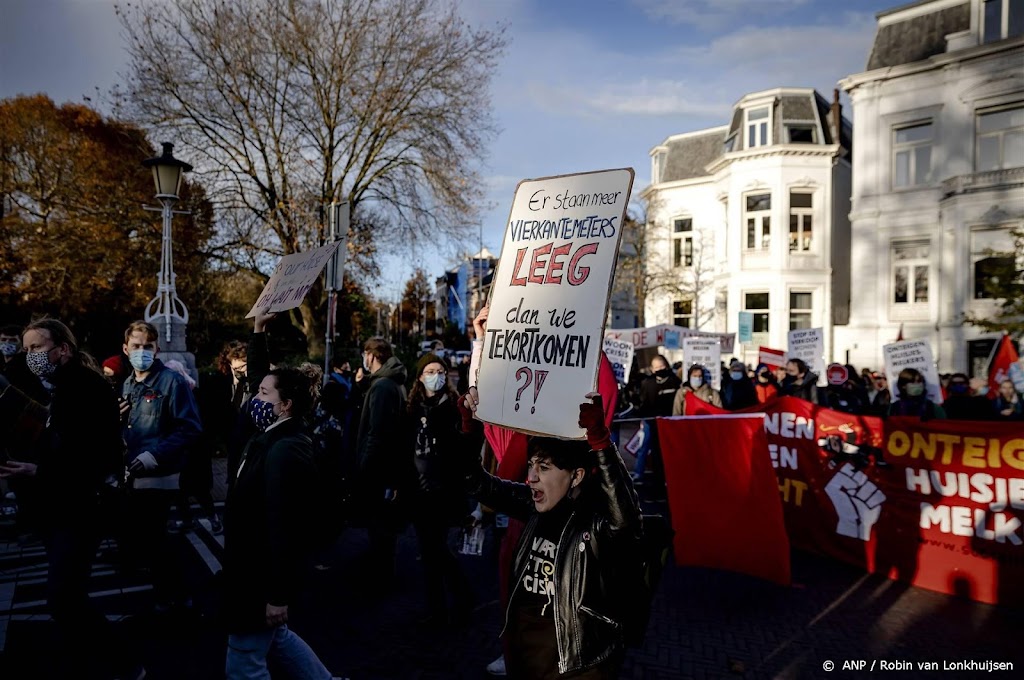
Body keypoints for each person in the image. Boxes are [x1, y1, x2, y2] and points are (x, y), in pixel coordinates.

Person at [457, 388, 642, 679]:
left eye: (544, 467)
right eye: (531, 465)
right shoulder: (531, 505)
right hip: (525, 656)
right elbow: (475, 484)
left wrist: (601, 443)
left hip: (576, 665)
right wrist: (471, 431)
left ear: (576, 475)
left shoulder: (594, 523)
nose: (531, 477)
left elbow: (626, 520)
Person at [0, 318, 141, 679]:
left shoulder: (86, 388)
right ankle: (88, 662)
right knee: (67, 598)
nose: (29, 355)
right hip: (58, 507)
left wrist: (37, 472)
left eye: (36, 348)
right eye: (25, 348)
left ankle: (125, 666)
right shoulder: (58, 385)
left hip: (80, 508)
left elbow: (90, 456)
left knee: (63, 599)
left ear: (62, 349)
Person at [222, 366, 337, 679]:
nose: (255, 401)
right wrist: (258, 330)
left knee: (245, 661)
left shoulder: (285, 448)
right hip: (251, 569)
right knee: (277, 639)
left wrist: (278, 595)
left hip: (259, 575)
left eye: (263, 394)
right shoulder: (268, 437)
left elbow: (285, 526)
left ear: (285, 405)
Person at [119, 320, 203, 612]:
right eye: (136, 346)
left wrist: (154, 455)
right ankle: (167, 593)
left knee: (156, 538)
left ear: (156, 349)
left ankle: (177, 596)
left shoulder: (172, 381)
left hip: (162, 473)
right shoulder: (129, 382)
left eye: (148, 347)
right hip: (134, 473)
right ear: (125, 348)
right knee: (148, 539)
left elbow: (189, 428)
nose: (142, 351)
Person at [406, 352, 474, 626]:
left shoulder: (453, 408)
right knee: (430, 550)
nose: (436, 376)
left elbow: (464, 447)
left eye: (440, 371)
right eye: (430, 371)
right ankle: (446, 602)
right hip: (418, 492)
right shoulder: (412, 407)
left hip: (443, 492)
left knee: (436, 549)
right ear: (420, 377)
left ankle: (450, 603)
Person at [355, 336, 409, 587]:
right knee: (382, 527)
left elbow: (377, 432)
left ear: (372, 355)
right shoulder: (388, 383)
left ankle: (379, 580)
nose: (364, 360)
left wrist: (364, 468)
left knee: (379, 528)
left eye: (365, 354)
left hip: (379, 470)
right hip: (388, 468)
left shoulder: (383, 387)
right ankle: (380, 575)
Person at [164, 359, 222, 535]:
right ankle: (191, 519)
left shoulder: (193, 393)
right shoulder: (181, 391)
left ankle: (213, 519)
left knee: (199, 488)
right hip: (183, 449)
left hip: (194, 449)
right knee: (181, 488)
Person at [630, 355, 680, 482]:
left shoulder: (675, 381)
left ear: (667, 366)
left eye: (662, 367)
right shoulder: (648, 383)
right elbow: (642, 403)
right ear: (652, 369)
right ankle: (641, 473)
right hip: (650, 422)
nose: (659, 369)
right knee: (645, 447)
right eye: (657, 367)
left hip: (669, 422)